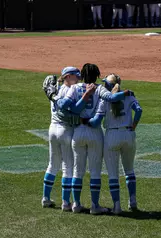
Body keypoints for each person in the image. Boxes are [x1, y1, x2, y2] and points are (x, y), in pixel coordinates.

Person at [59, 63, 130, 215]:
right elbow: (110, 97)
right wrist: (125, 93)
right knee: (95, 172)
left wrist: (73, 111)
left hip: (78, 132)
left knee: (78, 170)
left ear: (82, 75)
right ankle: (94, 205)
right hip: (95, 133)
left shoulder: (75, 88)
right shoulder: (99, 88)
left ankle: (76, 204)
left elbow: (65, 104)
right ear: (97, 76)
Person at [93, 74, 143, 214]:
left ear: (107, 86)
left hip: (112, 135)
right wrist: (133, 125)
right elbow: (139, 110)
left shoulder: (105, 100)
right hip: (128, 134)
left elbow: (98, 118)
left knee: (113, 174)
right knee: (129, 170)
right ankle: (132, 201)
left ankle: (117, 207)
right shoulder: (129, 95)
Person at [41, 67, 81, 211]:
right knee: (68, 167)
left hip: (52, 129)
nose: (79, 80)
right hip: (65, 130)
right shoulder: (69, 90)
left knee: (52, 164)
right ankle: (65, 202)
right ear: (68, 77)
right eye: (77, 77)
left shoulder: (55, 90)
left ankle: (45, 198)